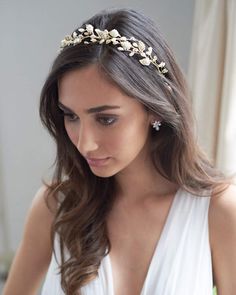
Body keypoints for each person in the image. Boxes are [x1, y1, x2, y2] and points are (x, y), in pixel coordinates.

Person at [3, 7, 236, 295]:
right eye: (71, 116)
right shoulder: (55, 207)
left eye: (106, 119)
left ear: (154, 108)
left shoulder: (220, 212)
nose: (85, 143)